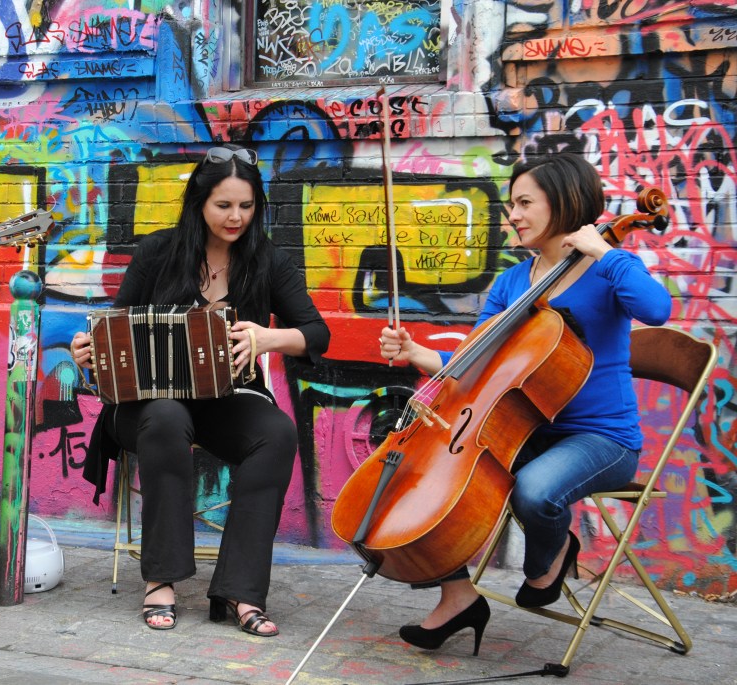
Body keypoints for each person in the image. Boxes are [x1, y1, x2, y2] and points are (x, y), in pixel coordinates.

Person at [379, 153, 671, 654]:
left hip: (602, 439)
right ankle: (457, 596)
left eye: (524, 203)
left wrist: (604, 252)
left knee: (534, 491)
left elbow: (657, 308)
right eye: (511, 204)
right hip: (527, 430)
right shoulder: (513, 282)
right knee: (428, 476)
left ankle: (551, 556)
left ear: (564, 202)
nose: (512, 215)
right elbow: (476, 358)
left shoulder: (608, 270)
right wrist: (418, 353)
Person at [72, 144, 330, 635]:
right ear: (199, 202)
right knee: (168, 416)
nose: (236, 217)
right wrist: (89, 352)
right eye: (223, 205)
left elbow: (317, 334)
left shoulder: (267, 261)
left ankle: (239, 590)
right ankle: (161, 579)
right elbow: (114, 328)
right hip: (148, 406)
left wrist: (267, 338)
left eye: (247, 206)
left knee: (276, 433)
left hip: (226, 402)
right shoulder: (157, 253)